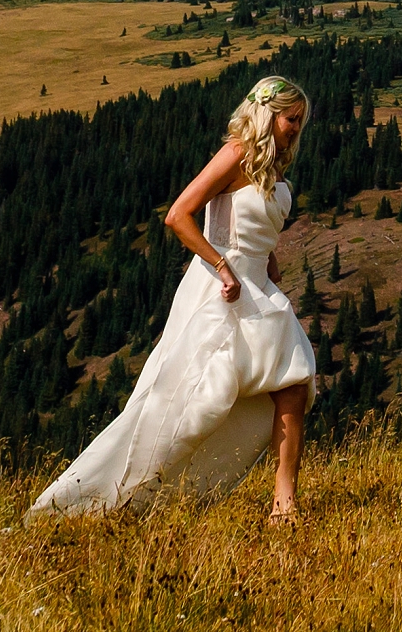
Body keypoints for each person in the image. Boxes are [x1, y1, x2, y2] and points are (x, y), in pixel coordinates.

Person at [30, 74, 322, 520]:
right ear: (266, 114)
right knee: (195, 408)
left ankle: (284, 505)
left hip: (259, 291)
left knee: (294, 384)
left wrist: (269, 266)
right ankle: (120, 494)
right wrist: (223, 266)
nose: (296, 128)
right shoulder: (236, 154)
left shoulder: (273, 170)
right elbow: (178, 215)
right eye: (290, 118)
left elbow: (255, 232)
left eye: (301, 120)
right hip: (220, 292)